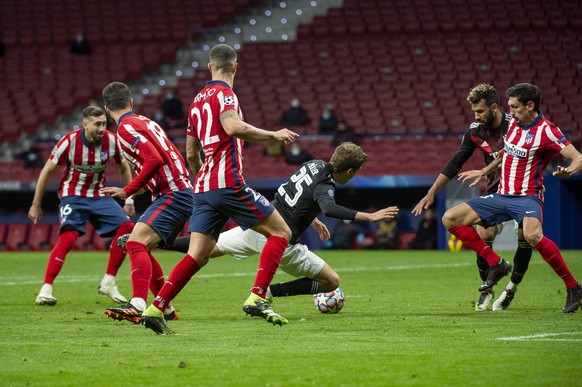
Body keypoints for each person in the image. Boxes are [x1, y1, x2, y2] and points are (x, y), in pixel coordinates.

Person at [138, 44, 299, 334]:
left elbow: (190, 154)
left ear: (209, 67)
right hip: (228, 182)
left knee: (197, 254)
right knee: (281, 232)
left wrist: (206, 180)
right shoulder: (227, 95)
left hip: (203, 187)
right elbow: (233, 127)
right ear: (235, 67)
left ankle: (155, 307)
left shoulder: (196, 102)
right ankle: (258, 296)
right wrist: (273, 134)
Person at [140, 142, 398, 307]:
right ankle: (270, 293)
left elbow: (291, 195)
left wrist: (313, 219)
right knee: (332, 281)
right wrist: (370, 216)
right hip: (280, 240)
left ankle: (157, 241)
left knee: (206, 248)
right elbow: (330, 207)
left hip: (259, 225)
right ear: (350, 171)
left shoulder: (312, 164)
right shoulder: (326, 184)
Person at [443, 83, 582, 313]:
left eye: (515, 107)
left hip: (527, 197)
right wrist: (484, 171)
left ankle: (573, 286)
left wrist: (569, 170)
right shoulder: (515, 126)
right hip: (501, 195)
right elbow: (506, 153)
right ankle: (496, 263)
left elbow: (577, 157)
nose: (511, 112)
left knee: (532, 235)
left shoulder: (547, 130)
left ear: (530, 105)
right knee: (450, 218)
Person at [412, 83, 533, 311]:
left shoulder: (516, 126)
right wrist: (431, 194)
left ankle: (511, 289)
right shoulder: (476, 131)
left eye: (480, 111)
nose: (476, 116)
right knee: (483, 232)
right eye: (474, 112)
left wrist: (484, 171)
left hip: (523, 188)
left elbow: (511, 156)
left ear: (494, 107)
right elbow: (455, 163)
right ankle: (486, 289)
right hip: (496, 189)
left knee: (526, 235)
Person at [100, 81, 194, 324]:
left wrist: (127, 189)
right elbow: (159, 160)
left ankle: (138, 303)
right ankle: (168, 309)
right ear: (130, 102)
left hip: (173, 193)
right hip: (178, 190)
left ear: (107, 108)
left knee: (134, 243)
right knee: (139, 245)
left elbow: (154, 160)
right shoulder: (146, 121)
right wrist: (131, 192)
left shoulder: (125, 129)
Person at [29, 106, 135, 306]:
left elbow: (124, 166)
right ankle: (46, 289)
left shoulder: (112, 141)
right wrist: (36, 204)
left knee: (128, 228)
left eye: (104, 123)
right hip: (73, 196)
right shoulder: (69, 141)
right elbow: (47, 171)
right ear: (85, 125)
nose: (102, 128)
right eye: (97, 124)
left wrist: (128, 199)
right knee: (68, 237)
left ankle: (109, 282)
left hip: (99, 195)